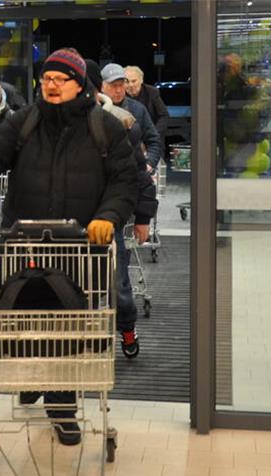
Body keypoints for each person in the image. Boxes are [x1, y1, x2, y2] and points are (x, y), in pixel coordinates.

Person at [0, 48, 137, 446]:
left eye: (60, 79)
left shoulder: (105, 127)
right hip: (25, 245)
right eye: (46, 78)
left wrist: (108, 216)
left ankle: (63, 406)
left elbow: (124, 182)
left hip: (81, 250)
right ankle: (34, 378)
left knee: (71, 327)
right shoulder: (25, 120)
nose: (50, 85)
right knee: (23, 319)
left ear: (78, 84)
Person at [87, 59, 158, 358]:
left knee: (118, 284)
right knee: (81, 283)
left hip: (112, 216)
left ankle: (126, 329)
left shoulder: (126, 120)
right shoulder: (60, 125)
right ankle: (89, 334)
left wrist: (143, 216)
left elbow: (138, 173)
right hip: (77, 219)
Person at [124, 65, 170, 146]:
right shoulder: (120, 95)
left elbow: (164, 116)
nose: (130, 85)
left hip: (152, 139)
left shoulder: (152, 92)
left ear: (141, 80)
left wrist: (154, 135)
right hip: (129, 142)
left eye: (134, 81)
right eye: (127, 81)